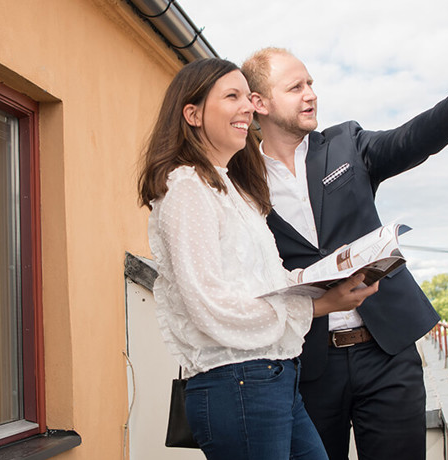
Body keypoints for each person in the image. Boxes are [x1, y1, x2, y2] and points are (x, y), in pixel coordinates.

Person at [240, 16, 448, 460]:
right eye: (296, 87)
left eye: (311, 82)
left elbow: (410, 140)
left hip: (386, 352)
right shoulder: (240, 179)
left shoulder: (345, 144)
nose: (311, 93)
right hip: (307, 364)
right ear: (259, 103)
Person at [137, 58, 380, 460]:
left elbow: (265, 281)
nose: (247, 107)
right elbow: (209, 304)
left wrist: (327, 275)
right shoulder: (186, 189)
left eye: (247, 97)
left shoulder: (233, 190)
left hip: (273, 377)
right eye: (231, 96)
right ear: (193, 114)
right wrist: (317, 305)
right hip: (239, 383)